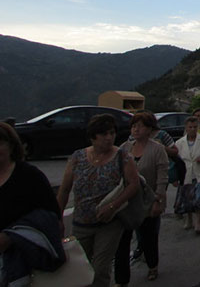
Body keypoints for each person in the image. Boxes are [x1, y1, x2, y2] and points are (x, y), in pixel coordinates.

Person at [57, 114, 139, 287]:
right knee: (80, 268)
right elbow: (64, 190)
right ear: (93, 136)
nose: (109, 138)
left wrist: (112, 205)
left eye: (112, 133)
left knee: (101, 268)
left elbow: (133, 185)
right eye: (104, 134)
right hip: (81, 223)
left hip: (109, 223)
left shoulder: (123, 157)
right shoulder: (77, 158)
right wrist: (58, 218)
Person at [0, 123, 65, 286]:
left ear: (11, 146)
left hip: (26, 262)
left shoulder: (30, 176)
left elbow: (54, 219)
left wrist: (14, 236)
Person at [114, 113, 168, 284]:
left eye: (141, 126)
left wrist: (158, 201)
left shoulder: (157, 149)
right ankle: (121, 279)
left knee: (148, 238)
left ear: (150, 129)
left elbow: (162, 178)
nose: (136, 129)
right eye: (134, 126)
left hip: (147, 202)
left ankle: (153, 265)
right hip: (127, 203)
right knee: (122, 243)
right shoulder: (125, 148)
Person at [174, 117, 200, 235]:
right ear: (186, 128)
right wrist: (175, 178)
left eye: (194, 127)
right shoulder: (179, 143)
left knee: (198, 199)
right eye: (190, 127)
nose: (192, 129)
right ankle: (189, 219)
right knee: (188, 199)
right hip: (186, 174)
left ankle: (198, 223)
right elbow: (176, 161)